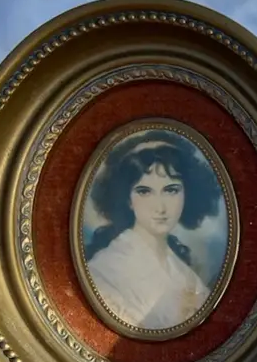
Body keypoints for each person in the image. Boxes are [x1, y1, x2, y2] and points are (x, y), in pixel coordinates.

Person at [84, 129, 222, 331]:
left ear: (187, 193)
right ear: (128, 199)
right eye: (145, 191)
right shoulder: (105, 268)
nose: (160, 207)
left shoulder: (185, 273)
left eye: (171, 190)